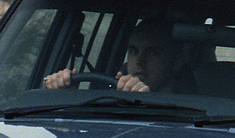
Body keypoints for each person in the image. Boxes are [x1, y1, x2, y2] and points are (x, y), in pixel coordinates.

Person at [43, 18, 192, 93]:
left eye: (153, 53)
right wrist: (67, 99)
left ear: (177, 62)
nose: (139, 61)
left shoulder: (194, 114)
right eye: (133, 51)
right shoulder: (107, 102)